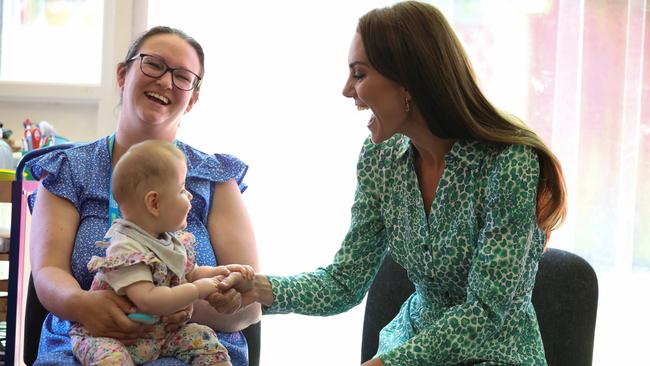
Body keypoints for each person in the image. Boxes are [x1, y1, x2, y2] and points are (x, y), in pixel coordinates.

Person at [218, 2, 567, 365]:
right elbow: (343, 283)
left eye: (359, 74)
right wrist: (256, 289)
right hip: (407, 343)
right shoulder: (380, 159)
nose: (346, 90)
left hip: (497, 353)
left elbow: (484, 314)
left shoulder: (510, 162)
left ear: (408, 81)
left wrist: (388, 364)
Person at [28, 26, 260, 366]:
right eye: (153, 64)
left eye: (182, 76)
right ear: (123, 75)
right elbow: (48, 270)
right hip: (87, 342)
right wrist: (82, 304)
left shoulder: (215, 178)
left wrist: (173, 304)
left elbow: (250, 303)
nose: (165, 82)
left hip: (188, 346)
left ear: (193, 99)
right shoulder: (69, 169)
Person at [69, 140, 255, 365]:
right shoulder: (126, 247)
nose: (190, 196)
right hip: (112, 337)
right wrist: (197, 291)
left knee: (203, 338)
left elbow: (190, 272)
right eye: (182, 189)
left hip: (157, 335)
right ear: (154, 203)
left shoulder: (170, 239)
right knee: (112, 360)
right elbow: (148, 300)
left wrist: (220, 273)